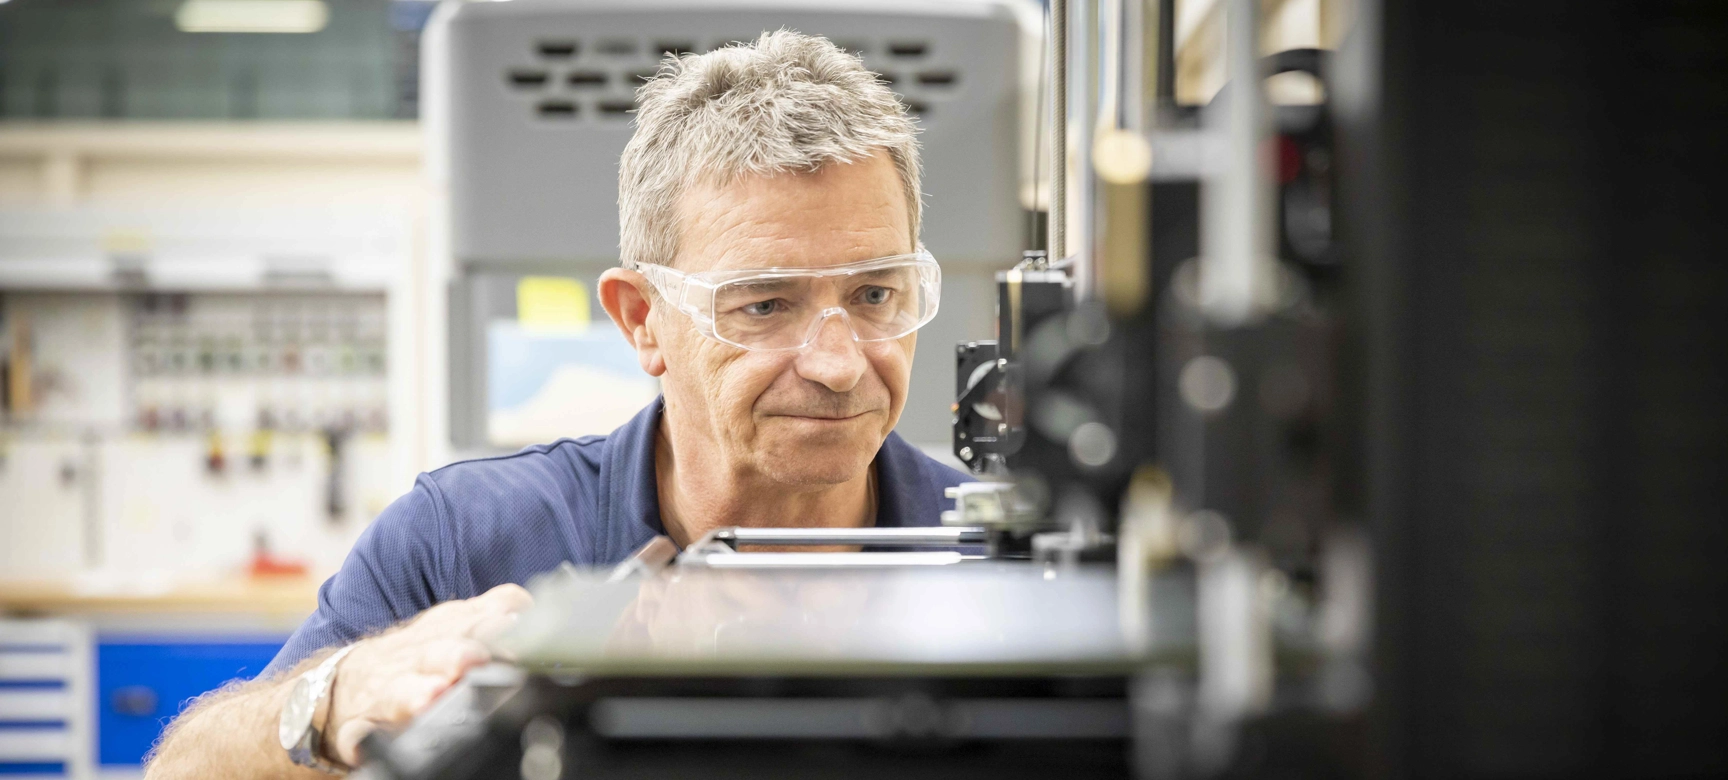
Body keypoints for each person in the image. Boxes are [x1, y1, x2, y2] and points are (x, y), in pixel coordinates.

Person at [143, 30, 967, 778]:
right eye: (763, 306)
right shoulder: (465, 544)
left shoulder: (996, 555)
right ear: (642, 320)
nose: (836, 363)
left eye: (873, 293)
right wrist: (333, 698)